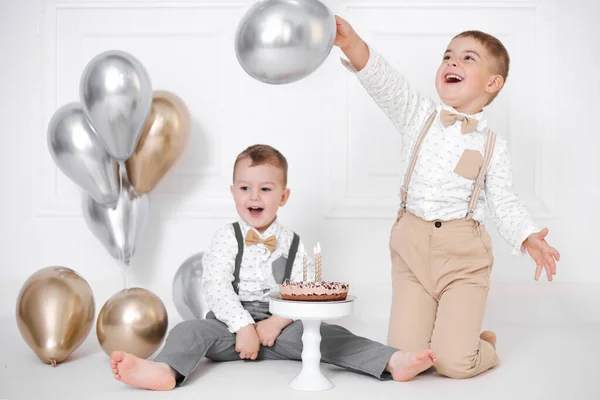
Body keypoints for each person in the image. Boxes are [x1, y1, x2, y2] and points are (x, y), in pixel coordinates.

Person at [333, 16, 561, 379]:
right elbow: (382, 80)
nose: (452, 62)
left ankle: (480, 347)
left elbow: (504, 202)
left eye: (468, 58)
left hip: (462, 258)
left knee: (452, 364)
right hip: (411, 250)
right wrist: (350, 42)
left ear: (492, 82)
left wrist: (527, 235)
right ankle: (459, 339)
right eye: (448, 56)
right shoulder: (417, 115)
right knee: (407, 356)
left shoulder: (492, 145)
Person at [109, 144, 435, 390]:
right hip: (228, 329)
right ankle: (167, 371)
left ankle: (392, 362)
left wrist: (276, 323)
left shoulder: (293, 241)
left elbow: (301, 289)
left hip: (281, 329)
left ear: (283, 196)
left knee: (329, 335)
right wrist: (243, 327)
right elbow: (217, 288)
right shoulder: (227, 237)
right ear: (233, 192)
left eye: (266, 189)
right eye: (245, 188)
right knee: (188, 330)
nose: (255, 196)